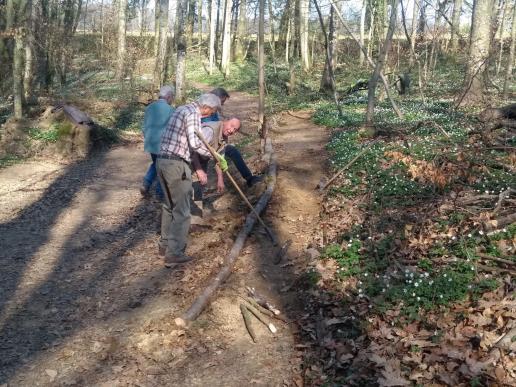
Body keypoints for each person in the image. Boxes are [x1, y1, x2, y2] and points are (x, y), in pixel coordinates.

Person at [156, 93, 220, 267]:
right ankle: (174, 253)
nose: (209, 115)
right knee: (182, 211)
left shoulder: (182, 109)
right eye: (211, 111)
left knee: (169, 206)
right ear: (206, 107)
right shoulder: (193, 114)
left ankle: (164, 246)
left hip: (162, 161)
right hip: (176, 164)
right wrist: (214, 155)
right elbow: (194, 143)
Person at [190, 117, 263, 227]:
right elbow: (192, 151)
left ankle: (194, 221)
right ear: (226, 122)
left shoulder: (224, 139)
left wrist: (220, 179)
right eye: (231, 126)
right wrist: (199, 170)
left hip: (202, 158)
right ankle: (191, 223)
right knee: (192, 186)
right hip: (187, 158)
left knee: (199, 186)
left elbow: (219, 159)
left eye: (235, 130)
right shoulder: (210, 130)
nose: (231, 131)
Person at [140, 85, 175, 200]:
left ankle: (146, 183)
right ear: (169, 96)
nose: (172, 100)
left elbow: (144, 127)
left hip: (151, 143)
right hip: (164, 145)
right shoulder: (171, 110)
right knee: (163, 167)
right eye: (172, 97)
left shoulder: (149, 107)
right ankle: (160, 193)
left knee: (156, 163)